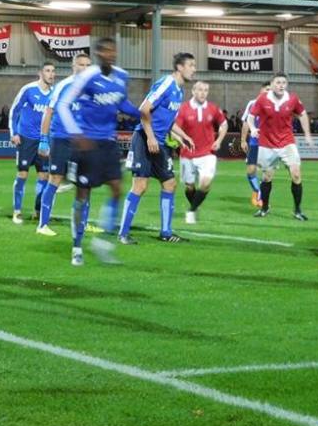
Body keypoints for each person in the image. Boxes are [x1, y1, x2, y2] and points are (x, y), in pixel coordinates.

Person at [56, 38, 139, 266]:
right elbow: (63, 104)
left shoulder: (122, 76)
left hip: (109, 142)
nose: (110, 54)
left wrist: (141, 113)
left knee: (116, 189)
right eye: (106, 51)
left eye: (113, 50)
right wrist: (76, 134)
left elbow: (122, 104)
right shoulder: (87, 76)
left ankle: (102, 244)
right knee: (83, 195)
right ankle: (77, 246)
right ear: (98, 54)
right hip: (87, 143)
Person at [117, 53, 197, 244]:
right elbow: (144, 109)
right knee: (140, 185)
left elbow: (168, 121)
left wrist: (183, 136)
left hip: (158, 143)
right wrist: (151, 136)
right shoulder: (166, 83)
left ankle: (166, 233)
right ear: (179, 67)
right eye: (191, 65)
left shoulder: (179, 91)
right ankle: (123, 233)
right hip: (144, 138)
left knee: (170, 184)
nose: (194, 69)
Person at [35, 53, 93, 236]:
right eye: (81, 65)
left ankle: (83, 223)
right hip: (61, 138)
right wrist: (43, 139)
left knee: (85, 182)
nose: (85, 68)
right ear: (73, 66)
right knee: (55, 179)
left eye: (88, 65)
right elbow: (48, 112)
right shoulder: (63, 86)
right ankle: (42, 225)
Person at [247, 72, 313, 220]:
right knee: (267, 177)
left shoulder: (293, 99)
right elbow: (251, 118)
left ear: (286, 84)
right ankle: (264, 208)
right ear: (271, 85)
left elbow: (302, 114)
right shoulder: (262, 99)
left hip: (287, 142)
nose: (281, 85)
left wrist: (307, 133)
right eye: (278, 82)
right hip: (267, 144)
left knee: (296, 174)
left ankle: (297, 210)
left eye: (283, 82)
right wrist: (252, 128)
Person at [8, 62, 55, 225]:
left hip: (44, 141)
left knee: (44, 176)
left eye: (53, 71)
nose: (51, 74)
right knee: (22, 175)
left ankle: (38, 211)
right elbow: (14, 111)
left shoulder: (55, 93)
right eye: (48, 71)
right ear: (40, 73)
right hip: (26, 139)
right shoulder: (28, 90)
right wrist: (14, 132)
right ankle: (17, 211)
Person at [175, 81, 228, 224]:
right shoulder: (183, 109)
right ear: (193, 91)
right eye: (200, 90)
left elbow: (224, 124)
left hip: (207, 153)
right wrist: (180, 140)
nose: (203, 93)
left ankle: (191, 211)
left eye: (205, 90)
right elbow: (174, 128)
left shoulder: (213, 108)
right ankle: (195, 206)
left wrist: (219, 140)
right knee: (189, 186)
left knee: (205, 183)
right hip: (187, 154)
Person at [240, 81, 270, 208]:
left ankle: (261, 198)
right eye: (266, 89)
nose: (268, 92)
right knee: (251, 170)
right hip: (254, 143)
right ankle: (256, 190)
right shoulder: (252, 103)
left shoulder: (273, 106)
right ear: (261, 90)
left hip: (268, 144)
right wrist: (243, 140)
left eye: (270, 90)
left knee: (267, 173)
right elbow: (246, 122)